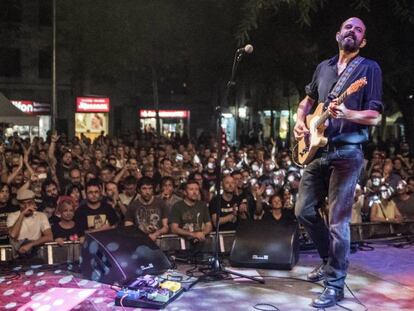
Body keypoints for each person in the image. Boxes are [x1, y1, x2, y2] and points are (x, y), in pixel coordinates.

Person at [293, 17, 383, 308]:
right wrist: (298, 121)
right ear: (337, 35)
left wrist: (348, 114)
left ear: (363, 41)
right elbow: (307, 103)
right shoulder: (323, 67)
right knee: (304, 211)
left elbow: (375, 115)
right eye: (348, 27)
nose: (352, 31)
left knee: (338, 223)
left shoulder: (369, 69)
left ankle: (335, 285)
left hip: (347, 153)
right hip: (317, 150)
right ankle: (326, 259)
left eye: (359, 30)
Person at [7, 189, 53, 256]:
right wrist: (22, 214)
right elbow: (13, 235)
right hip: (18, 254)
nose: (26, 206)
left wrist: (30, 245)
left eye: (29, 203)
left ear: (34, 202)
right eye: (23, 203)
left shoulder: (41, 216)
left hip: (36, 252)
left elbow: (49, 237)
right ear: (19, 204)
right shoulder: (12, 216)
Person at [124, 177, 169, 241]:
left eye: (150, 188)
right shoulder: (133, 205)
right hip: (140, 241)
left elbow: (165, 227)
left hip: (158, 240)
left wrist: (156, 234)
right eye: (144, 188)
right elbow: (128, 228)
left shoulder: (160, 203)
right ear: (139, 190)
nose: (147, 192)